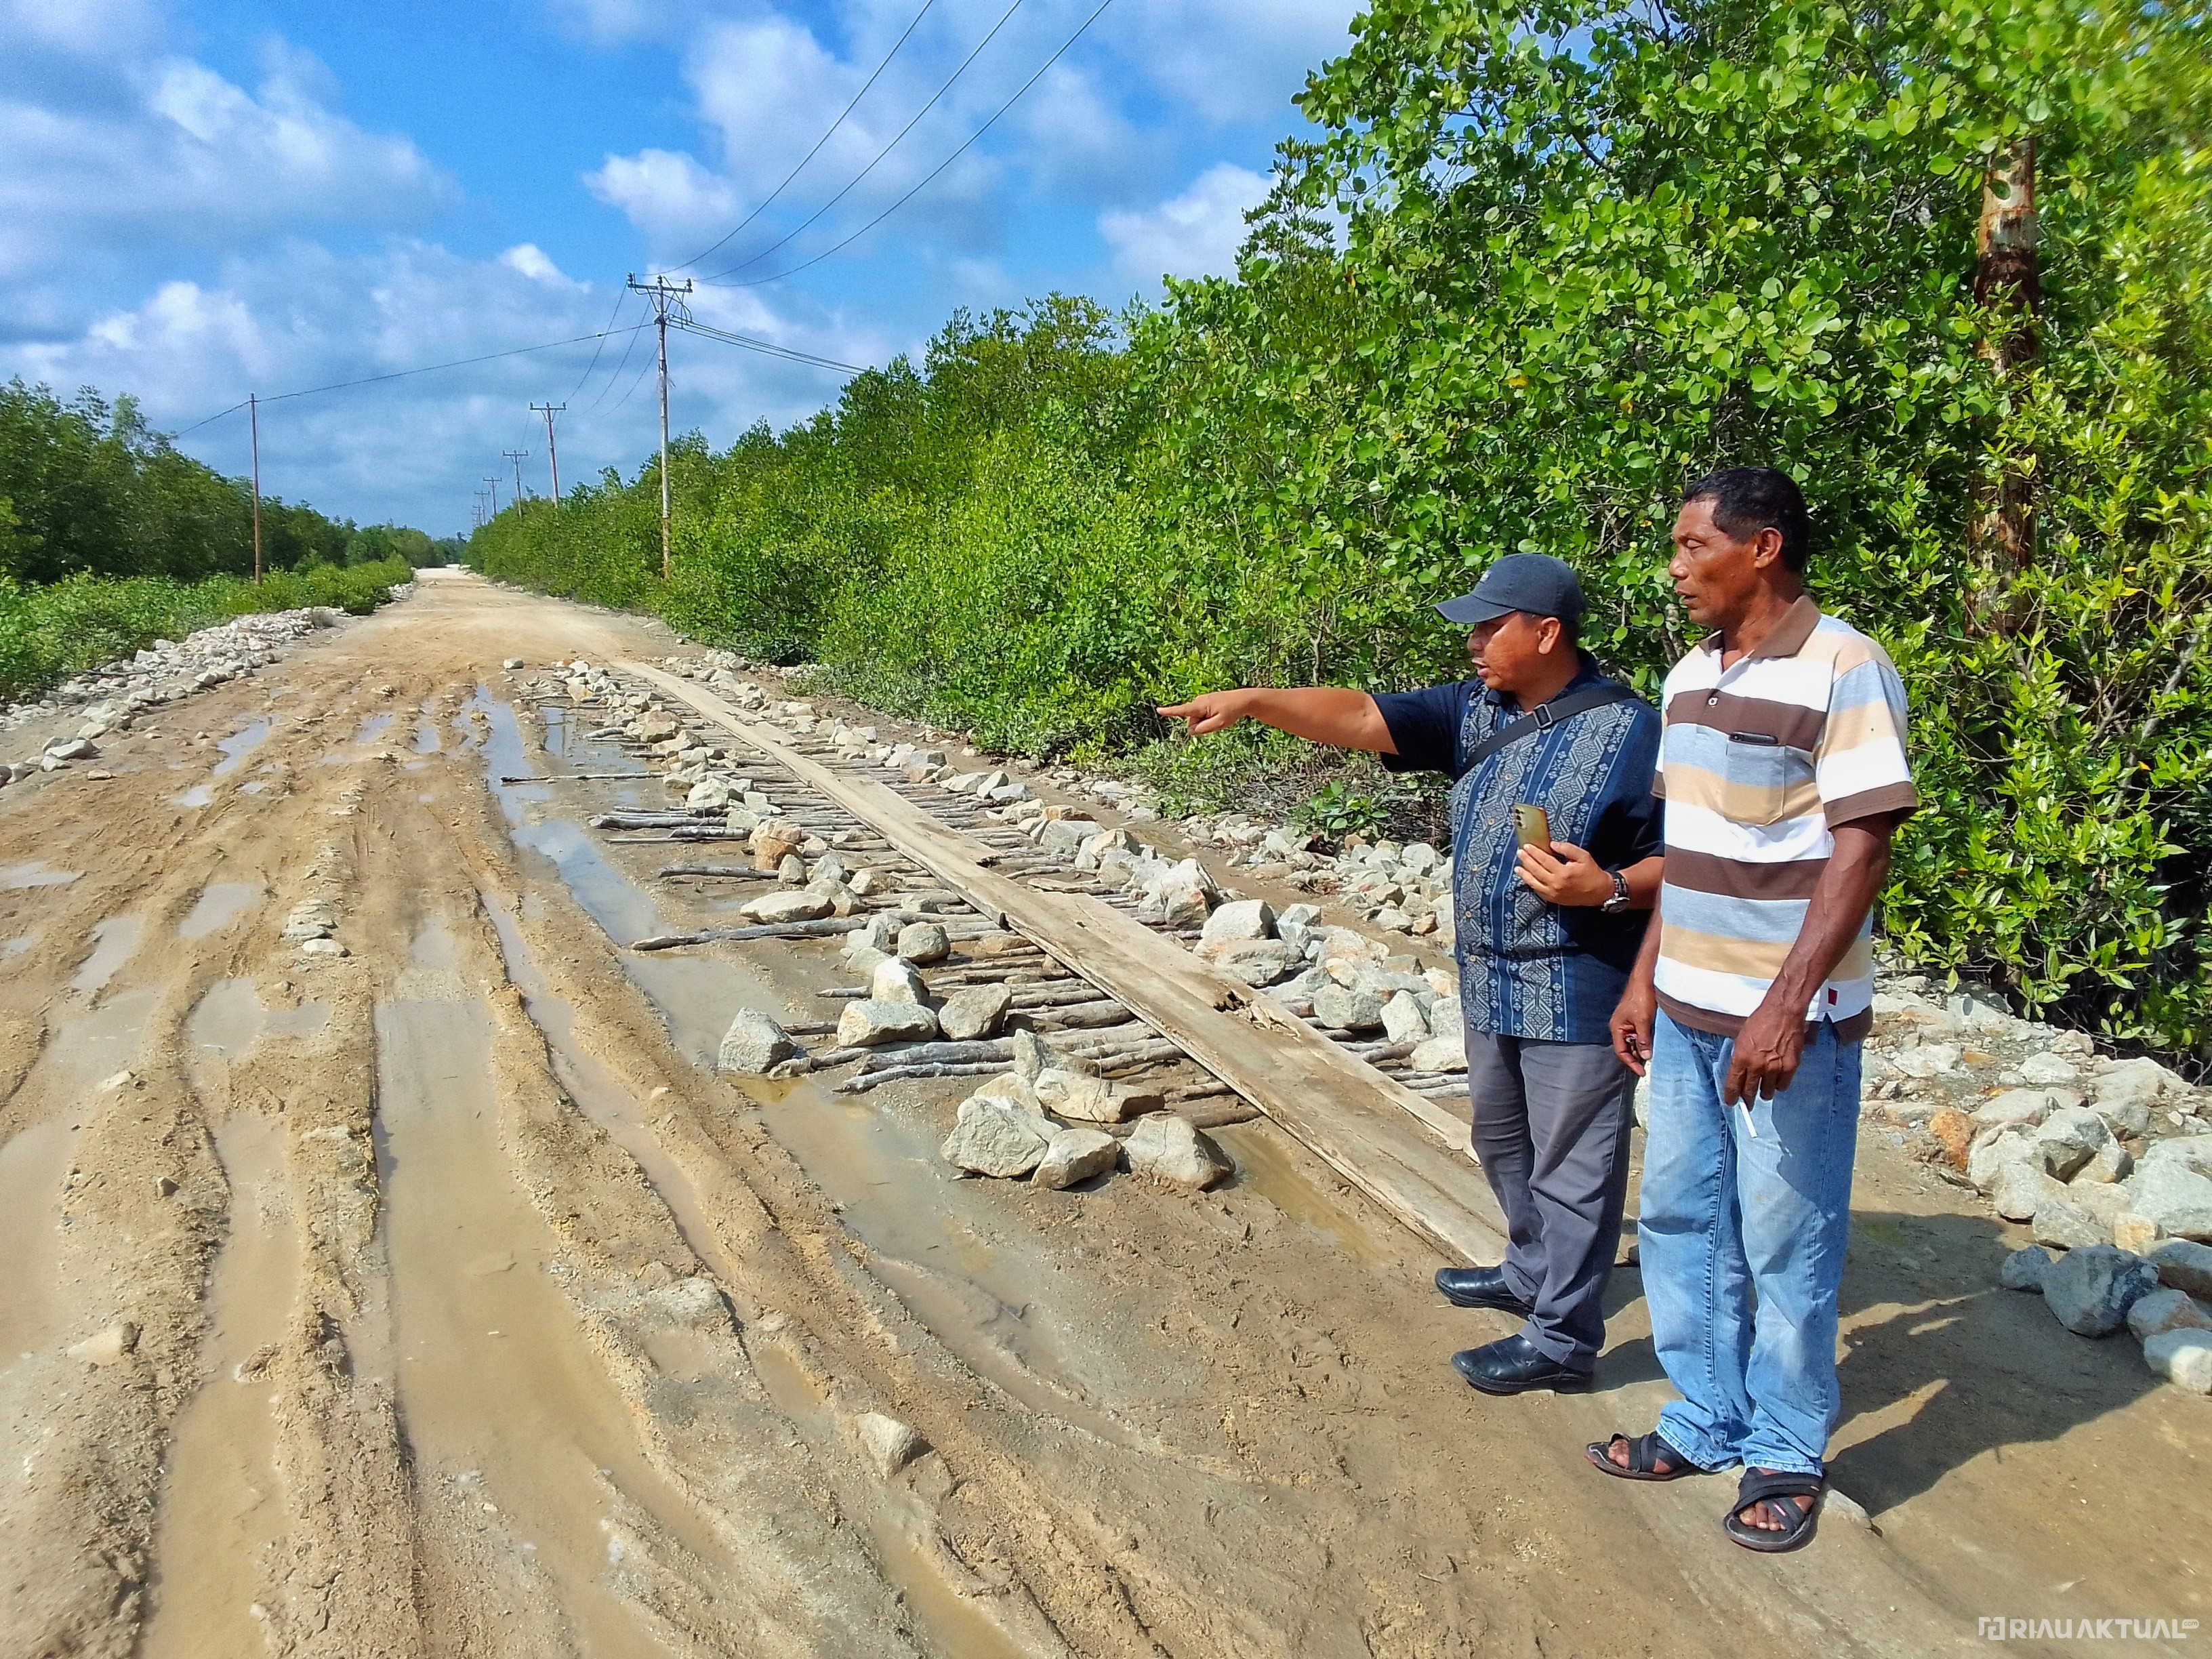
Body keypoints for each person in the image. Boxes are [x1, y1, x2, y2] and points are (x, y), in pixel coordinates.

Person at [1159, 553, 1663, 1395]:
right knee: (1500, 1138)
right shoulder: (1477, 708)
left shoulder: (1633, 730)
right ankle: (1532, 1271)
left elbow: (1686, 865)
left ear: (1546, 633)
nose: (1471, 643)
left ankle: (1564, 1341)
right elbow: (1357, 715)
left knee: (1574, 1165)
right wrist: (1251, 701)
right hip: (1492, 977)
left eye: (1487, 626)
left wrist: (1606, 887)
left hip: (1580, 984)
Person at [1594, 467, 1917, 1555]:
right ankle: (1705, 1415)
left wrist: (1785, 1007)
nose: (1677, 567)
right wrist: (1646, 977)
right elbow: (1689, 852)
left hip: (1791, 1025)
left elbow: (1862, 844)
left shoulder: (1846, 666)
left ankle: (1785, 1448)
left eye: (1694, 547)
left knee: (1787, 1242)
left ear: (1763, 548)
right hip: (1684, 1011)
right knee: (1683, 1222)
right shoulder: (1691, 675)